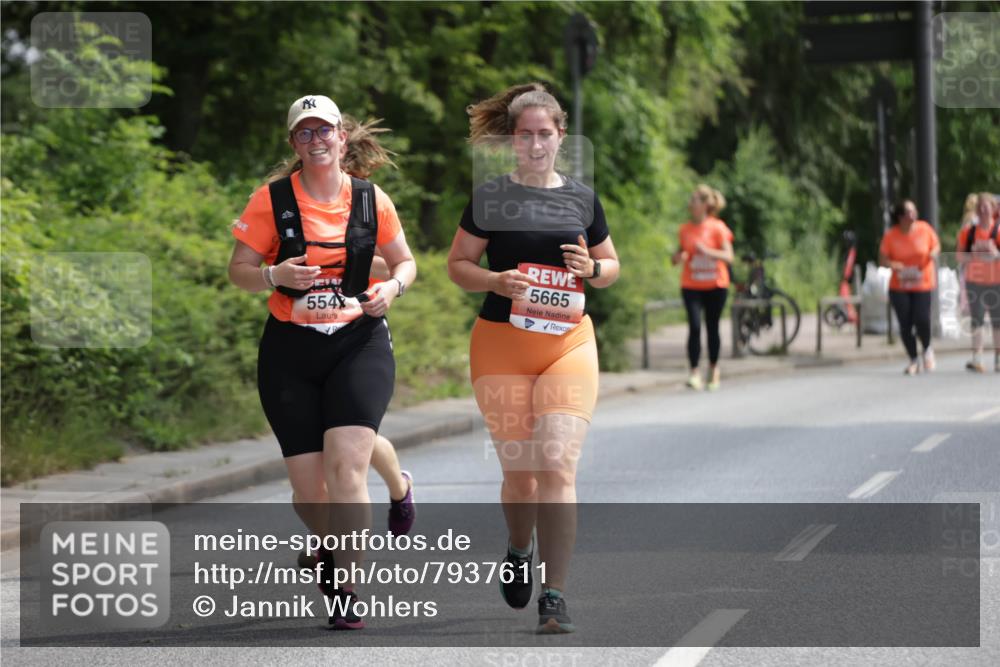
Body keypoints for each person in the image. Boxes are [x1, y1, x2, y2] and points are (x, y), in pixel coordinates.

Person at [227, 94, 417, 629]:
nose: (315, 141)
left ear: (342, 137)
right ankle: (328, 541)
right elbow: (238, 269)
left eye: (324, 131)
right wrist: (272, 277)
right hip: (291, 348)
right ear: (294, 143)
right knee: (311, 491)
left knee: (346, 466)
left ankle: (345, 588)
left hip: (358, 341)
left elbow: (405, 262)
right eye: (304, 133)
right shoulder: (269, 202)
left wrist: (393, 289)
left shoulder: (370, 199)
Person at [446, 83, 620, 634]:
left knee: (558, 467)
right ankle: (520, 548)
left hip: (568, 344)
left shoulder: (583, 199)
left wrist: (592, 270)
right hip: (502, 345)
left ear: (561, 136)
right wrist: (497, 279)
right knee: (521, 478)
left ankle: (555, 594)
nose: (537, 144)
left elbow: (611, 263)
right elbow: (457, 265)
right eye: (526, 136)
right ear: (512, 140)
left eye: (546, 134)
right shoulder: (490, 198)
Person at [671, 185, 734, 391]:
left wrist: (707, 251)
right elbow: (677, 256)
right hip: (691, 285)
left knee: (712, 327)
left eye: (695, 199)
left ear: (705, 205)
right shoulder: (685, 229)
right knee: (695, 326)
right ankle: (694, 372)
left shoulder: (718, 227)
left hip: (716, 285)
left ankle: (714, 369)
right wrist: (678, 257)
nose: (691, 203)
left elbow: (729, 256)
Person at [878, 199, 941, 375]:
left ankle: (927, 349)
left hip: (922, 282)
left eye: (914, 211)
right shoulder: (891, 236)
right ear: (900, 217)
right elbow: (882, 260)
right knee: (905, 323)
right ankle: (913, 359)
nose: (912, 215)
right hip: (900, 285)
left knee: (922, 318)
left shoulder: (924, 229)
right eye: (908, 212)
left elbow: (936, 245)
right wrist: (894, 265)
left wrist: (932, 254)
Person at [956, 192, 1000, 373]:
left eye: (986, 206)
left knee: (998, 322)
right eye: (980, 207)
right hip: (975, 280)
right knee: (977, 320)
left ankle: (998, 358)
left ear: (993, 209)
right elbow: (959, 256)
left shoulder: (998, 230)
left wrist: (995, 254)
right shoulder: (969, 232)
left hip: (996, 281)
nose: (983, 210)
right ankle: (977, 358)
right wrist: (972, 253)